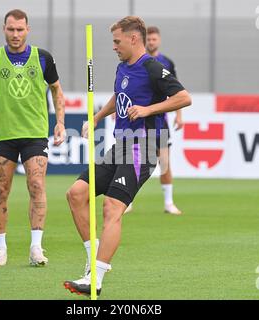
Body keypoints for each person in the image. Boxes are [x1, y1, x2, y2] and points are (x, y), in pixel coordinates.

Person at [64, 16, 191, 296]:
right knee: (76, 194)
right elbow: (117, 96)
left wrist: (148, 110)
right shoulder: (123, 67)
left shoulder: (152, 67)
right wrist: (97, 117)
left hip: (142, 148)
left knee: (112, 206)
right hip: (118, 146)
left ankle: (95, 279)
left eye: (117, 41)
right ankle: (92, 258)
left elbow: (184, 97)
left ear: (134, 39)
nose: (114, 47)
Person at [0, 9, 66, 267]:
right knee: (0, 191)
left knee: (36, 185)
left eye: (20, 29)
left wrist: (60, 124)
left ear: (27, 30)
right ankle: (0, 249)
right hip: (4, 135)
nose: (15, 34)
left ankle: (36, 248)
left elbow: (57, 90)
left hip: (34, 133)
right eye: (10, 29)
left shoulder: (43, 58)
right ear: (4, 29)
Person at [124, 25, 183, 215]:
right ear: (144, 40)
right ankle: (127, 200)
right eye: (148, 39)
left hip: (159, 122)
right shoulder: (135, 62)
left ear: (159, 40)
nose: (151, 42)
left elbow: (176, 92)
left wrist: (179, 115)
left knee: (164, 162)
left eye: (154, 39)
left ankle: (168, 202)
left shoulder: (166, 63)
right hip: (137, 121)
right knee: (132, 162)